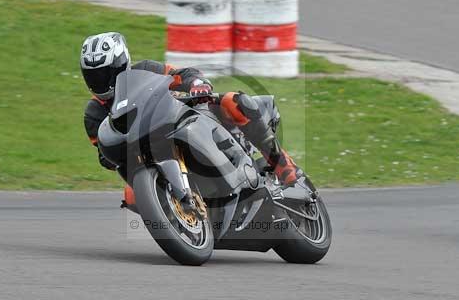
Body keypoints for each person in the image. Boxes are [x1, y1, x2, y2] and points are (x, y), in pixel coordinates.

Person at [79, 32, 302, 206]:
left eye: (107, 73)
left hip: (183, 117)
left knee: (234, 101)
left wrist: (196, 84)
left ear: (122, 63)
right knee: (132, 196)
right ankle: (179, 212)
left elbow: (182, 74)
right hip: (148, 152)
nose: (101, 81)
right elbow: (105, 155)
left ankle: (283, 166)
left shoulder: (146, 69)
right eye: (94, 76)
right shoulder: (94, 114)